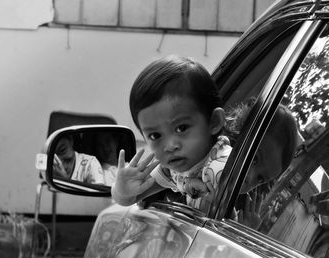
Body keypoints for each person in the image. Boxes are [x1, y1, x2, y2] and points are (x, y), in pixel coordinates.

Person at [111, 55, 232, 211]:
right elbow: (131, 198)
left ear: (214, 121)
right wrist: (122, 190)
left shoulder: (222, 167)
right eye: (155, 136)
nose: (170, 146)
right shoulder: (173, 170)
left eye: (181, 128)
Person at [224, 100, 299, 229]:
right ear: (237, 133)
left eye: (260, 178)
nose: (248, 177)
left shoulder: (229, 211)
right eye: (254, 158)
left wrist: (242, 231)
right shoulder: (193, 164)